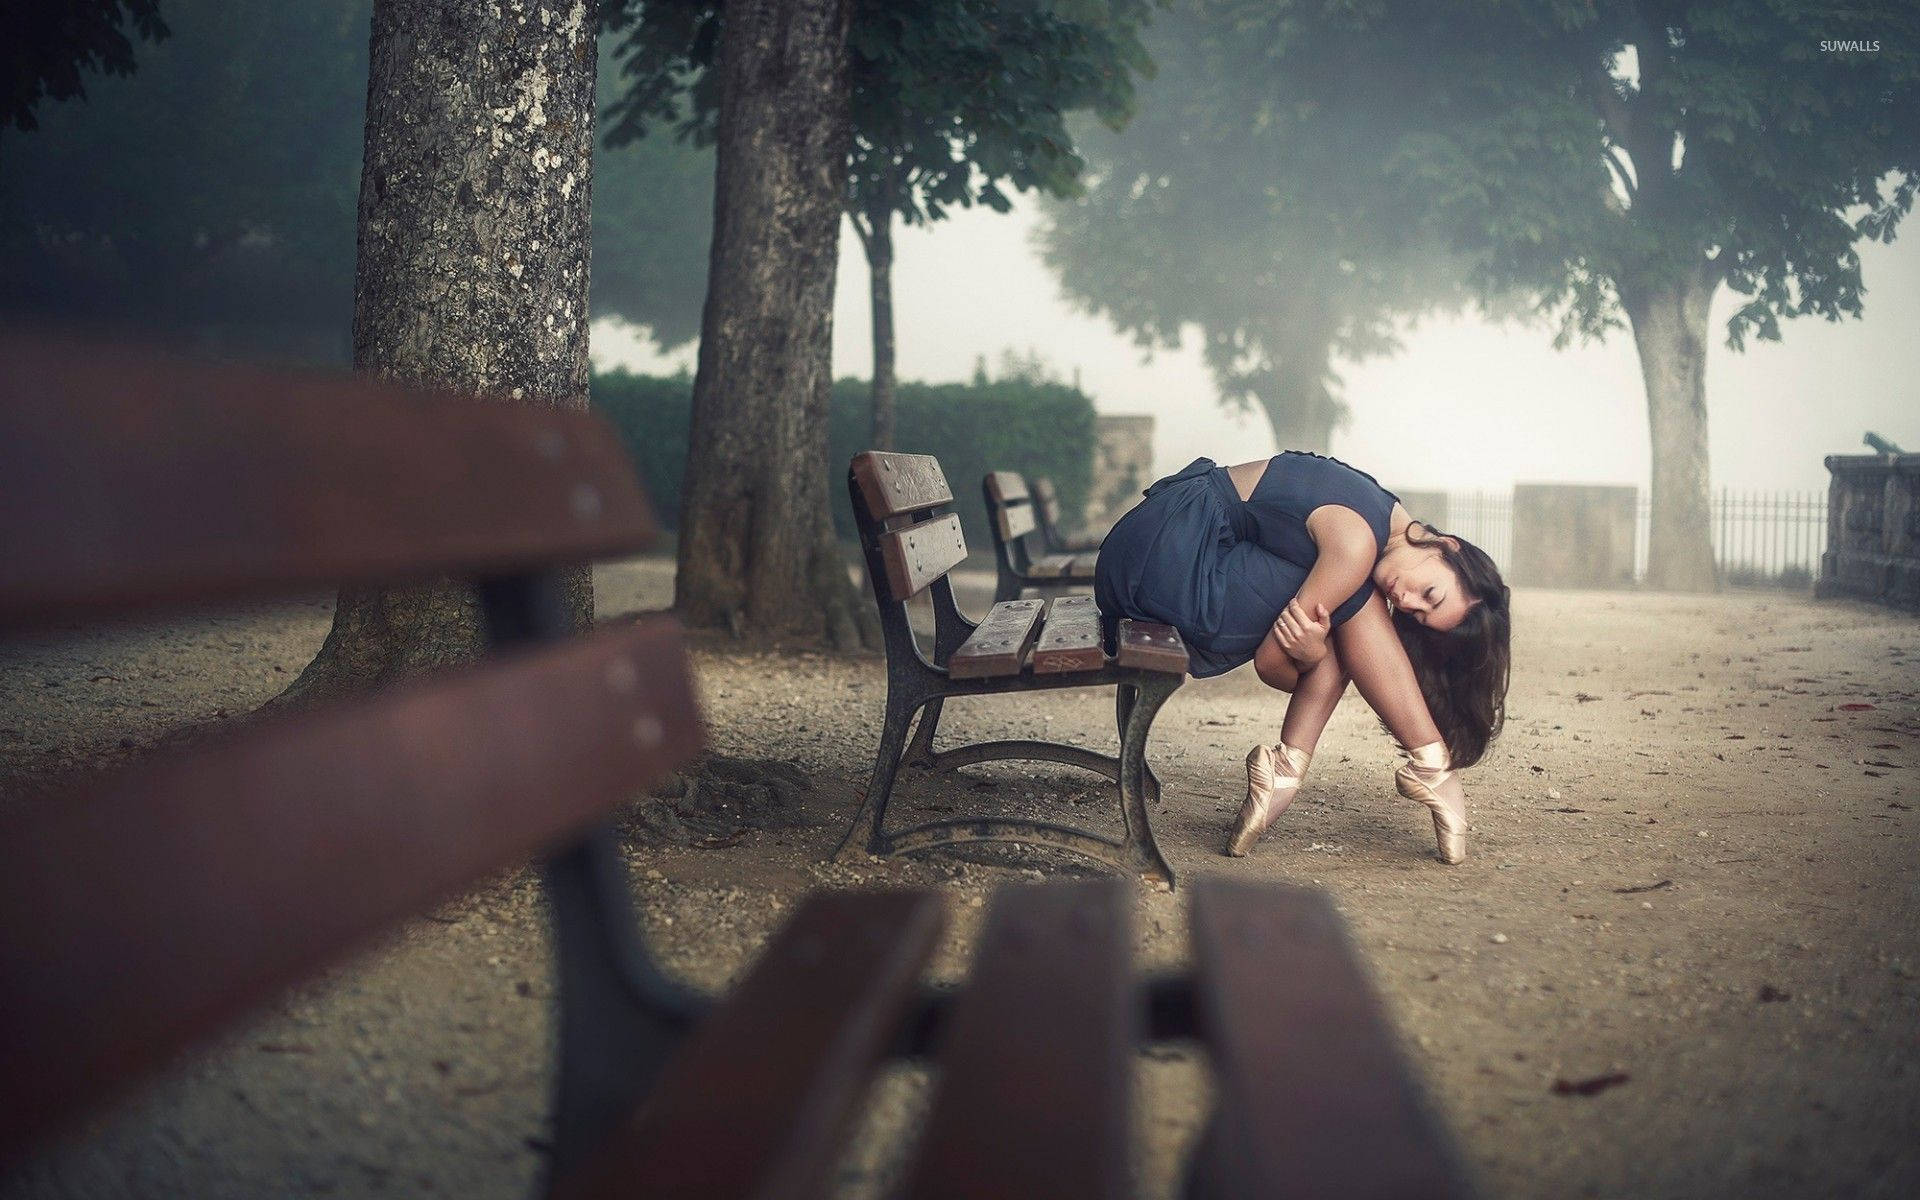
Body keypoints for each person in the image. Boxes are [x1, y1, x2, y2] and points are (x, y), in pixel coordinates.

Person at [1094, 452, 1511, 863]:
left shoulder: (1376, 509)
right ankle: (1431, 765)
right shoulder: (1357, 543)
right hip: (1167, 557)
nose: (1405, 600)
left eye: (1418, 613)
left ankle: (1287, 769)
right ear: (1446, 546)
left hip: (1153, 551)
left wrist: (1314, 652)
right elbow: (1271, 666)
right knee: (1353, 604)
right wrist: (1309, 654)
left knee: (1340, 614)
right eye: (1430, 592)